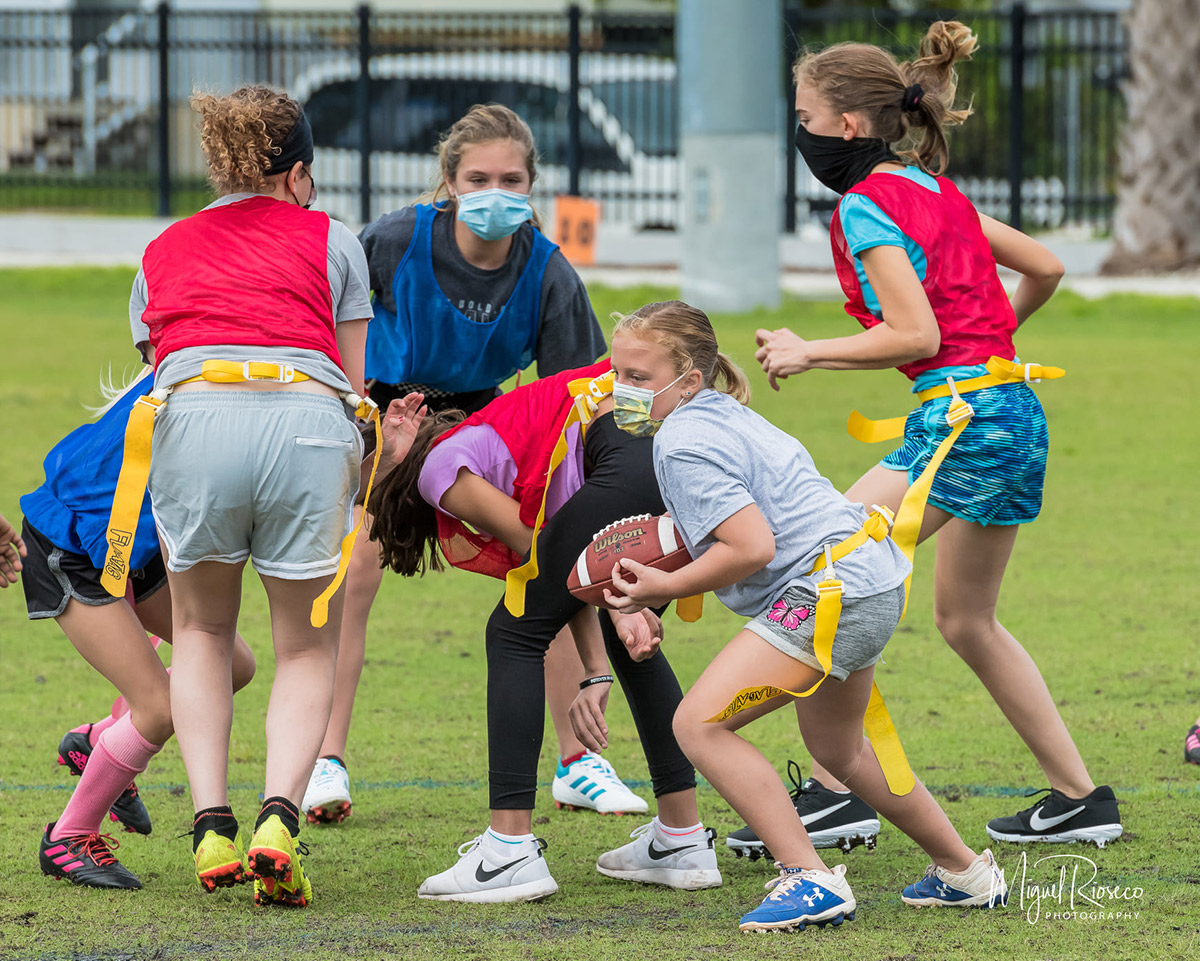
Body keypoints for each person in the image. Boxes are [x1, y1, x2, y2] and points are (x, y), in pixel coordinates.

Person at [753, 21, 1121, 847]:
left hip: (965, 421)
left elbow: (914, 334)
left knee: (830, 567)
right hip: (1013, 412)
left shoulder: (865, 204)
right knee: (965, 619)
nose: (800, 132)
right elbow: (1047, 266)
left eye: (805, 117)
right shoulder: (935, 190)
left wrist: (810, 350)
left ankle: (837, 787)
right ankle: (1079, 798)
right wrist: (990, 349)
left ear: (849, 124)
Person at [602, 300, 1006, 932]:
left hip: (828, 591)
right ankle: (965, 871)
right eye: (616, 372)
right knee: (840, 751)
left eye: (637, 377)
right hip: (868, 576)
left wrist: (664, 585)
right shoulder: (719, 410)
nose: (620, 389)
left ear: (688, 379)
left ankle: (810, 878)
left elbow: (751, 547)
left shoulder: (681, 441)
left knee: (699, 727)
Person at [305, 102, 619, 825]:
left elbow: (576, 396)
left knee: (541, 558)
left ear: (532, 185)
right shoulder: (392, 239)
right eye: (478, 179)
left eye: (511, 180)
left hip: (481, 425)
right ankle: (325, 759)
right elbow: (321, 315)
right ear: (449, 181)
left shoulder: (548, 271)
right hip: (387, 414)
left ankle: (580, 761)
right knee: (354, 568)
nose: (494, 193)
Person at [126, 84, 372, 906]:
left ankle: (210, 826)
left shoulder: (162, 247)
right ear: (297, 173)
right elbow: (354, 385)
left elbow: (160, 359)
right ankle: (277, 821)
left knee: (200, 629)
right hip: (306, 420)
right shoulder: (333, 238)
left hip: (193, 419)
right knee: (304, 647)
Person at [372, 361, 718, 903]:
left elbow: (541, 551)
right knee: (634, 645)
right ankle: (681, 838)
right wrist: (598, 663)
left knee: (511, 633)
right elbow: (562, 573)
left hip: (628, 457)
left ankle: (507, 853)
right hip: (670, 458)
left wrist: (614, 611)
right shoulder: (502, 438)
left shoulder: (439, 466)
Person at [16, 371, 255, 889]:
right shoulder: (203, 378)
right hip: (75, 544)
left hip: (135, 547)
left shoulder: (239, 378)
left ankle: (98, 741)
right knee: (160, 707)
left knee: (234, 666)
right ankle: (69, 836)